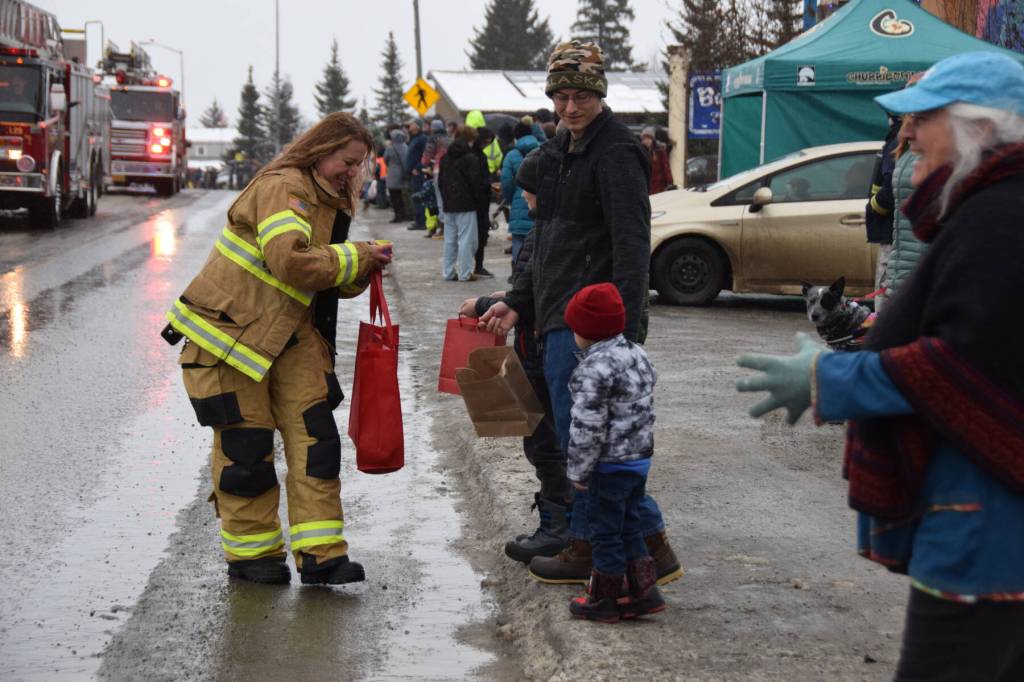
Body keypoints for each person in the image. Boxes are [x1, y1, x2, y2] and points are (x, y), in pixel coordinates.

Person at [736, 52, 1024, 680]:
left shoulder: (1002, 217)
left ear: (980, 128)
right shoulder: (990, 209)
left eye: (923, 118)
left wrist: (826, 378)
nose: (907, 134)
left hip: (987, 534)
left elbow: (956, 371)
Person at [477, 40, 682, 587]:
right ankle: (644, 547)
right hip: (554, 314)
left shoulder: (615, 151)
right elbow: (548, 240)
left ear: (600, 95)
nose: (569, 107)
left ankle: (594, 546)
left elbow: (633, 243)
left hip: (592, 324)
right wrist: (517, 301)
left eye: (580, 98)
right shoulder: (563, 149)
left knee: (586, 445)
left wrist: (627, 332)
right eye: (561, 97)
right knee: (579, 442)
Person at [160, 112, 392, 586]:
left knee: (316, 442)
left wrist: (361, 268)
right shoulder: (283, 187)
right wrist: (357, 256)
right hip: (228, 339)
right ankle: (253, 557)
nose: (352, 172)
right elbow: (290, 263)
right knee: (246, 452)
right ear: (321, 149)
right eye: (346, 161)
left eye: (359, 165)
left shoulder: (327, 200)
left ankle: (321, 555)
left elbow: (317, 279)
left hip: (289, 335)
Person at [460, 150, 571, 564]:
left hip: (544, 356)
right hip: (530, 353)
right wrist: (503, 300)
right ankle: (558, 521)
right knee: (536, 439)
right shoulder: (543, 231)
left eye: (530, 191)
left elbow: (544, 295)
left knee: (548, 442)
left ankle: (560, 526)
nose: (524, 199)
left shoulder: (554, 236)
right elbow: (528, 289)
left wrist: (489, 300)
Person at [562, 283, 666, 623]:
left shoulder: (594, 369)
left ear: (587, 332)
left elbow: (587, 426)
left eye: (575, 328)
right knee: (629, 526)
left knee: (604, 532)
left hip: (608, 466)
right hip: (638, 460)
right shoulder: (637, 354)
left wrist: (578, 471)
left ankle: (603, 598)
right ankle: (644, 592)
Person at [439, 125, 488, 282]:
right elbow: (475, 183)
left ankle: (448, 272)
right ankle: (465, 273)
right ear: (470, 139)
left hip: (449, 204)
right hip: (467, 205)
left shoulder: (445, 158)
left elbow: (440, 182)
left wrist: (446, 199)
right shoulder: (470, 158)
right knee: (467, 240)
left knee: (449, 240)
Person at [864, 114, 903, 311]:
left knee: (885, 287)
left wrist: (873, 207)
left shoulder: (897, 140)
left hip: (890, 229)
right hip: (893, 229)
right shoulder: (898, 139)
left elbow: (888, 190)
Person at [500, 123, 540, 267]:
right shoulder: (542, 149)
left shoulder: (512, 154)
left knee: (518, 239)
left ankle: (517, 273)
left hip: (518, 201)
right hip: (538, 201)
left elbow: (506, 181)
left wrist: (510, 199)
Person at [471, 127, 498, 278]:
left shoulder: (480, 155)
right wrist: (488, 185)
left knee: (482, 234)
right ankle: (474, 265)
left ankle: (478, 265)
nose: (487, 145)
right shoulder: (474, 156)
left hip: (482, 202)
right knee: (475, 235)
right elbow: (477, 180)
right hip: (476, 202)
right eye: (486, 141)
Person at [405, 119, 428, 231]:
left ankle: (421, 222)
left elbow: (426, 155)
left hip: (418, 173)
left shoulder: (422, 139)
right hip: (412, 174)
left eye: (412, 123)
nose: (410, 125)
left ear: (418, 126)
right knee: (415, 197)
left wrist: (417, 167)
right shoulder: (413, 139)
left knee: (419, 197)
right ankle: (418, 220)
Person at [383, 128, 408, 223]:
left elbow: (385, 160)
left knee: (394, 197)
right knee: (402, 197)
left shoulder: (390, 148)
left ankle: (398, 216)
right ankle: (404, 214)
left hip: (393, 175)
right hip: (403, 174)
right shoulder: (405, 146)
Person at [640, 126, 673, 195]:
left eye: (649, 139)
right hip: (646, 184)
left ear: (652, 139)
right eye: (644, 139)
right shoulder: (641, 151)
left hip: (659, 184)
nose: (647, 141)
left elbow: (666, 166)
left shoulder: (659, 151)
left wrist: (669, 182)